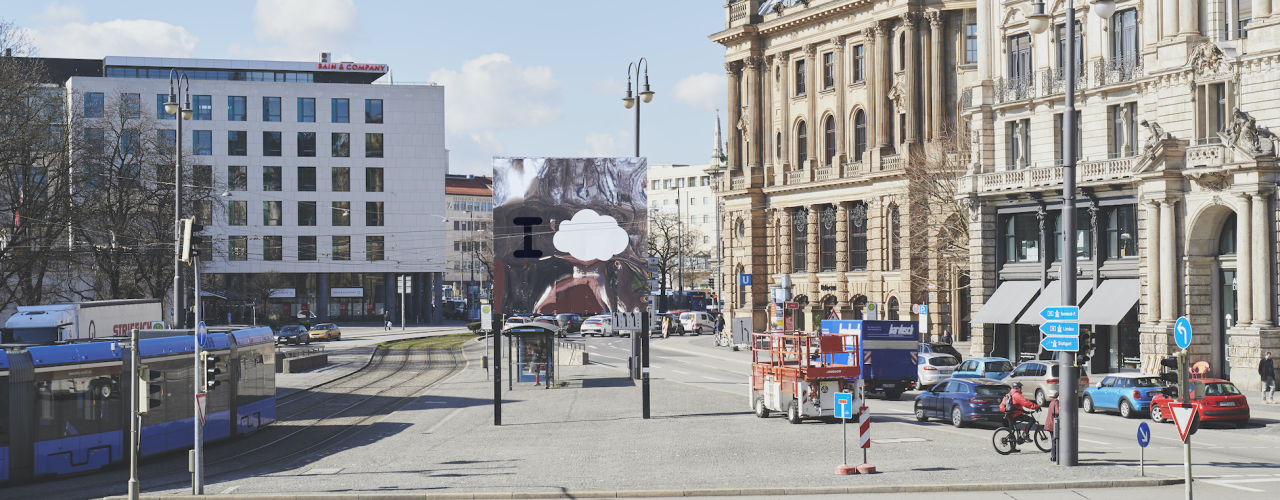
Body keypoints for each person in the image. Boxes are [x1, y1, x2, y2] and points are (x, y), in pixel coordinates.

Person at [999, 382, 1041, 452]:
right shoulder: (1017, 395)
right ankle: (1025, 434)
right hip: (1015, 415)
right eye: (1020, 387)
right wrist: (1036, 407)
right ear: (1018, 387)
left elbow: (1017, 406)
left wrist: (1025, 411)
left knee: (1011, 431)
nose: (1021, 388)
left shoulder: (1010, 393)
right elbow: (1026, 403)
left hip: (1010, 414)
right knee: (1032, 419)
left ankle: (1012, 448)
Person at [1044, 394, 1061, 462]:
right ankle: (1054, 456)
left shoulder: (1052, 401)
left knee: (1054, 440)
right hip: (1053, 424)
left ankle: (1054, 456)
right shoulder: (1056, 402)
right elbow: (1057, 411)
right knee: (1055, 441)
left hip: (1050, 423)